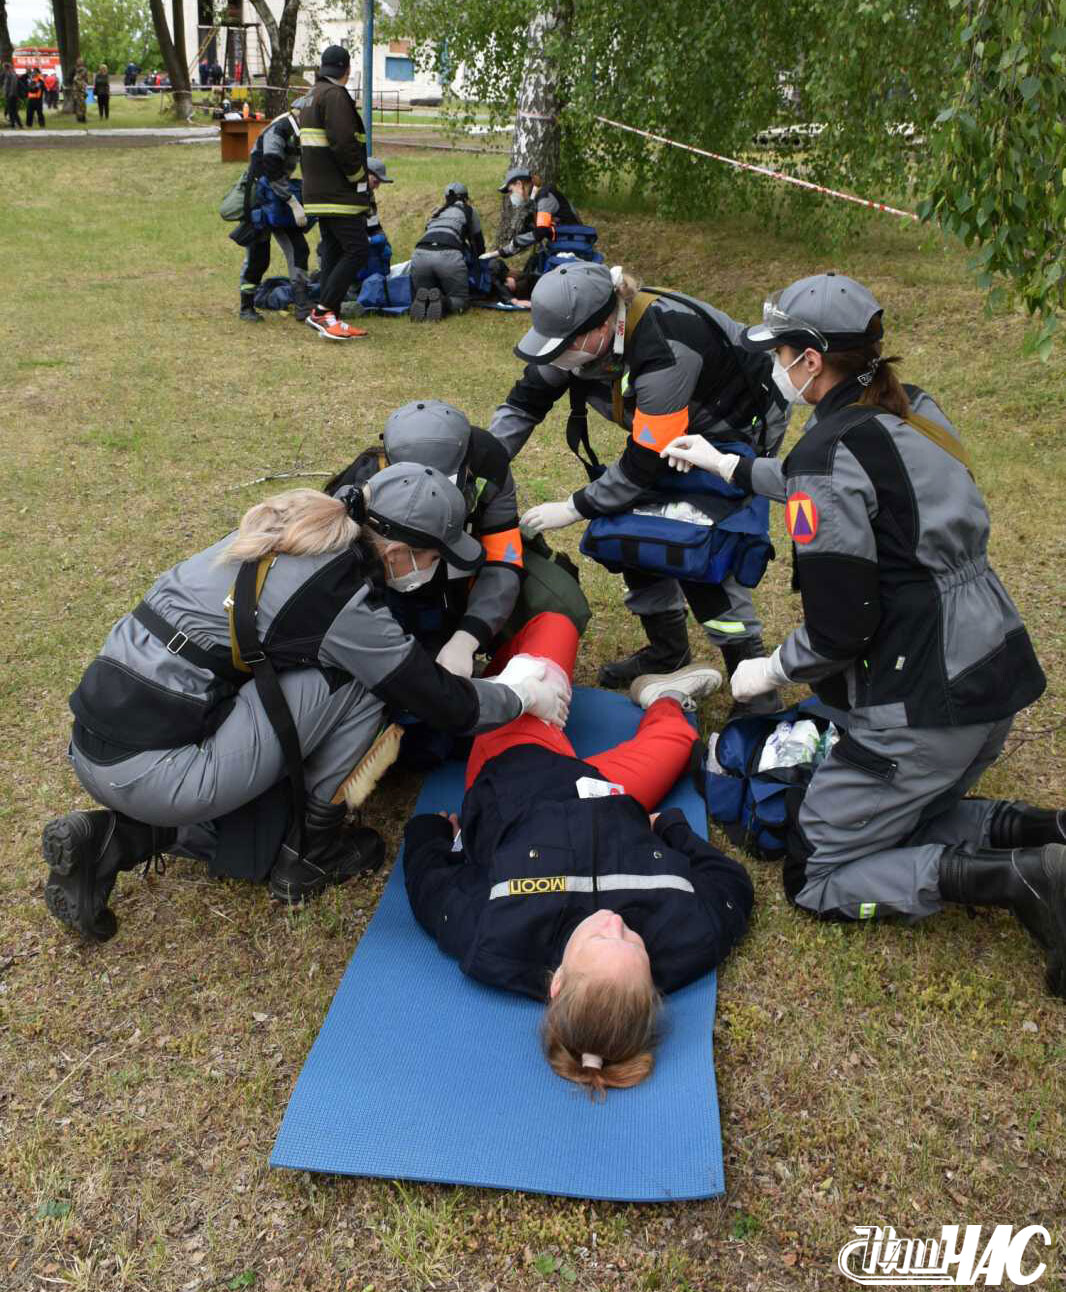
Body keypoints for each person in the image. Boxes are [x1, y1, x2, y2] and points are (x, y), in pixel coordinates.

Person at [664, 271, 1066, 997]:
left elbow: (841, 628)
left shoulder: (829, 455)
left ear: (810, 361)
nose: (775, 365)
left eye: (781, 351)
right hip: (992, 677)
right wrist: (730, 464)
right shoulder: (914, 411)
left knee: (816, 873)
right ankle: (1048, 835)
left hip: (922, 705)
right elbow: (857, 480)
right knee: (908, 810)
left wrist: (771, 670)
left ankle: (1022, 881)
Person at [41, 464, 570, 943]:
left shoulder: (295, 527)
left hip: (97, 741)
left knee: (311, 682)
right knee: (364, 684)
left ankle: (114, 838)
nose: (435, 569)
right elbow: (440, 702)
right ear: (397, 553)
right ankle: (309, 853)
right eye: (435, 558)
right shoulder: (336, 600)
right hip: (155, 770)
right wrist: (522, 694)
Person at [403, 610, 751, 1094]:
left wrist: (429, 833)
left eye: (603, 942)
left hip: (520, 764)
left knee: (554, 626)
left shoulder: (493, 936)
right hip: (608, 791)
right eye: (634, 943)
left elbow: (430, 890)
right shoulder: (691, 936)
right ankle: (663, 697)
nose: (616, 924)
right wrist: (672, 828)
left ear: (558, 982)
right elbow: (733, 885)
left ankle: (489, 684)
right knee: (678, 739)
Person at [489, 261, 790, 711]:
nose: (559, 356)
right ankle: (668, 650)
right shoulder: (576, 340)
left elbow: (641, 465)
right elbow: (524, 405)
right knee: (630, 532)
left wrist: (574, 507)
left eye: (566, 345)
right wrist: (481, 466)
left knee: (702, 546)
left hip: (732, 428)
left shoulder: (665, 351)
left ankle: (753, 680)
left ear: (607, 323)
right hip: (665, 427)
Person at [325, 400, 525, 676]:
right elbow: (342, 583)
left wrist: (467, 637)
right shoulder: (364, 487)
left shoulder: (490, 466)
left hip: (462, 571)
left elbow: (503, 559)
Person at [300, 45, 372, 341]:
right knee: (358, 249)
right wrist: (359, 178)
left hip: (317, 191)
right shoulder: (336, 96)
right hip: (339, 193)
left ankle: (331, 316)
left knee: (332, 250)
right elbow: (344, 143)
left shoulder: (311, 96)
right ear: (347, 69)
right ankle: (323, 311)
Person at [236, 94, 314, 323]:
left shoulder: (301, 133)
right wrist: (292, 202)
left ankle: (302, 303)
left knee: (299, 248)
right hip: (260, 198)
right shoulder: (279, 130)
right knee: (259, 256)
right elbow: (271, 169)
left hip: (279, 197)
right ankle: (246, 306)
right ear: (300, 114)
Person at [487, 166, 582, 291]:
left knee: (529, 282)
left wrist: (510, 246)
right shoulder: (537, 200)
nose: (510, 196)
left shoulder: (545, 197)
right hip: (562, 244)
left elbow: (540, 232)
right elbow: (529, 234)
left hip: (572, 246)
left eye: (510, 191)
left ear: (519, 184)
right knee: (531, 266)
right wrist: (503, 251)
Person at [409, 181, 486, 322]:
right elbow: (478, 243)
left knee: (426, 292)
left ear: (446, 198)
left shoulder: (436, 211)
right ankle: (443, 302)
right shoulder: (469, 210)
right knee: (461, 301)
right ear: (465, 197)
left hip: (420, 254)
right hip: (448, 255)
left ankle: (424, 302)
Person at [2, 63, 22, 129]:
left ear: (6, 68)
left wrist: (10, 94)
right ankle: (16, 124)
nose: (3, 69)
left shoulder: (11, 75)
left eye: (4, 68)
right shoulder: (9, 74)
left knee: (12, 110)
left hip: (12, 95)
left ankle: (15, 125)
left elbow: (13, 85)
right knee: (12, 110)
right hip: (10, 95)